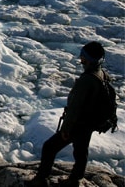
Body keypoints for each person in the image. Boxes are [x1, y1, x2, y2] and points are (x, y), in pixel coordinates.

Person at [26, 41, 109, 187]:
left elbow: (75, 108)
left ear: (89, 59)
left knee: (49, 147)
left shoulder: (86, 80)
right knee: (81, 151)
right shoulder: (101, 74)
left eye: (83, 56)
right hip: (89, 123)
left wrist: (66, 129)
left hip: (79, 123)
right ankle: (75, 179)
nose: (80, 59)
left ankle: (40, 179)